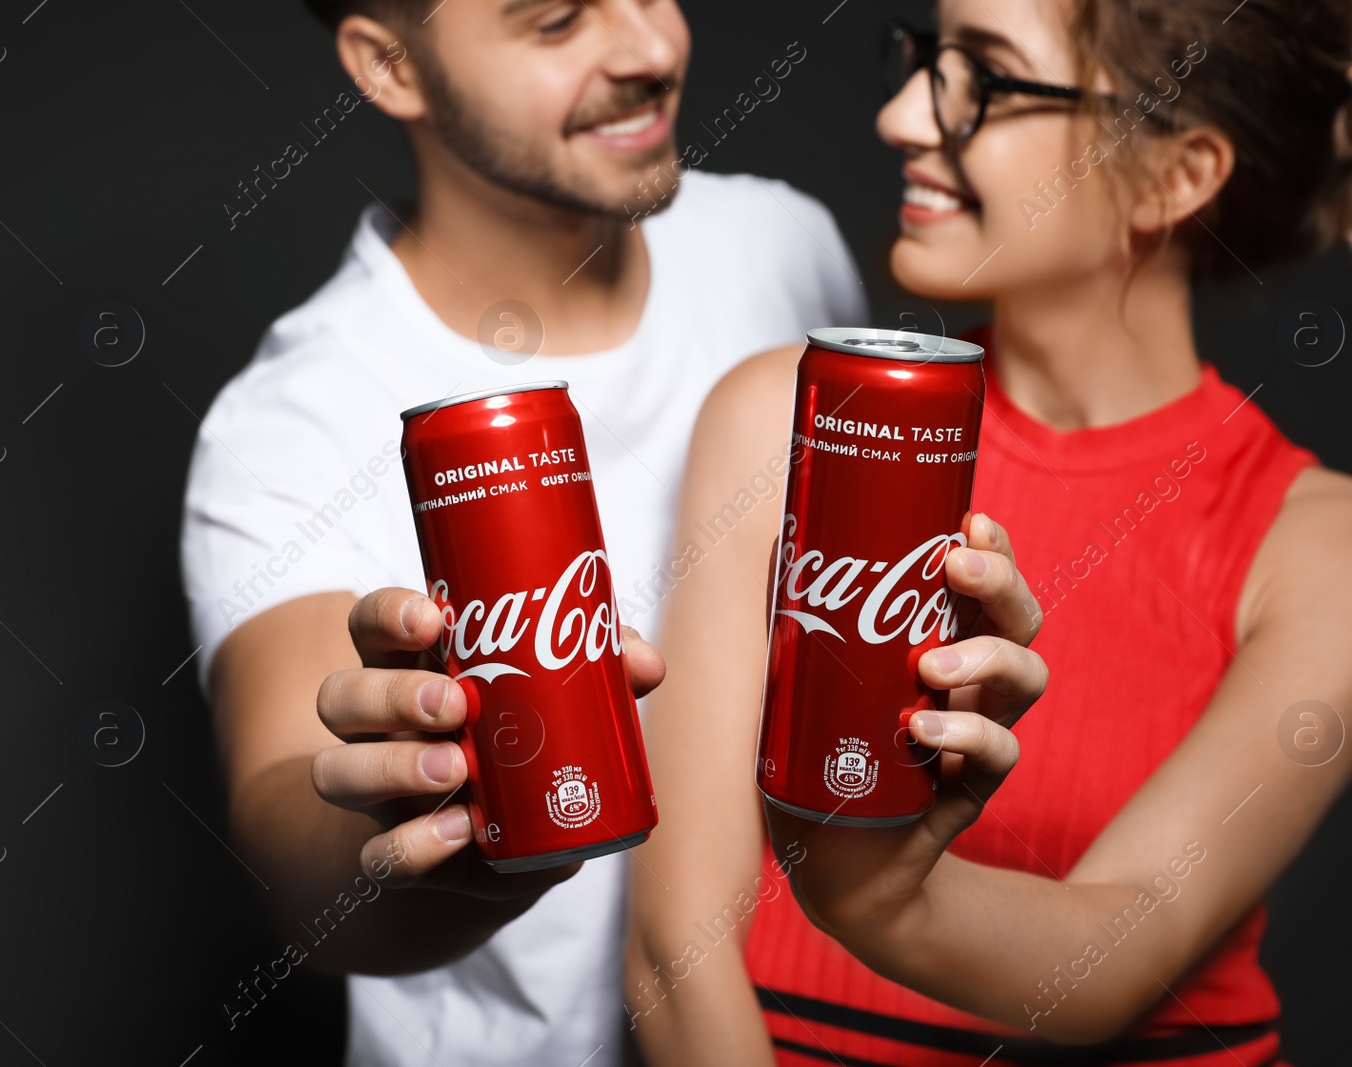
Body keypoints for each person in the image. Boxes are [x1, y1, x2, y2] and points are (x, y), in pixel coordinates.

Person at [626, 0, 1352, 1064]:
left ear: (1173, 176)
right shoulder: (788, 416)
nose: (901, 116)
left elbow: (1113, 955)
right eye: (927, 57)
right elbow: (673, 952)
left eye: (988, 80)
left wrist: (877, 896)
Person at [178, 1, 865, 1064]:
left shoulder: (785, 245)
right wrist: (421, 833)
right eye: (555, 22)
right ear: (390, 64)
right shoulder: (294, 418)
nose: (649, 50)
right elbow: (292, 840)